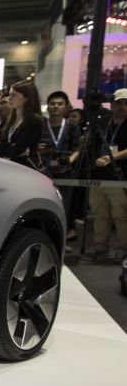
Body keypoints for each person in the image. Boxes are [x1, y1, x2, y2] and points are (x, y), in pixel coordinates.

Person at [86, 88, 127, 262]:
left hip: (121, 176)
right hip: (99, 175)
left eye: (126, 103)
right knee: (99, 213)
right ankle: (99, 247)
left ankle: (123, 248)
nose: (122, 106)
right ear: (111, 103)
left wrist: (112, 157)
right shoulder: (102, 121)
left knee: (121, 214)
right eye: (119, 102)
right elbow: (92, 144)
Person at [0, 80, 44, 169]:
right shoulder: (7, 120)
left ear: (26, 98)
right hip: (7, 167)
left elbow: (18, 149)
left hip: (25, 169)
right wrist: (9, 146)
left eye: (14, 95)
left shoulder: (34, 121)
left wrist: (2, 146)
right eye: (10, 94)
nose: (9, 98)